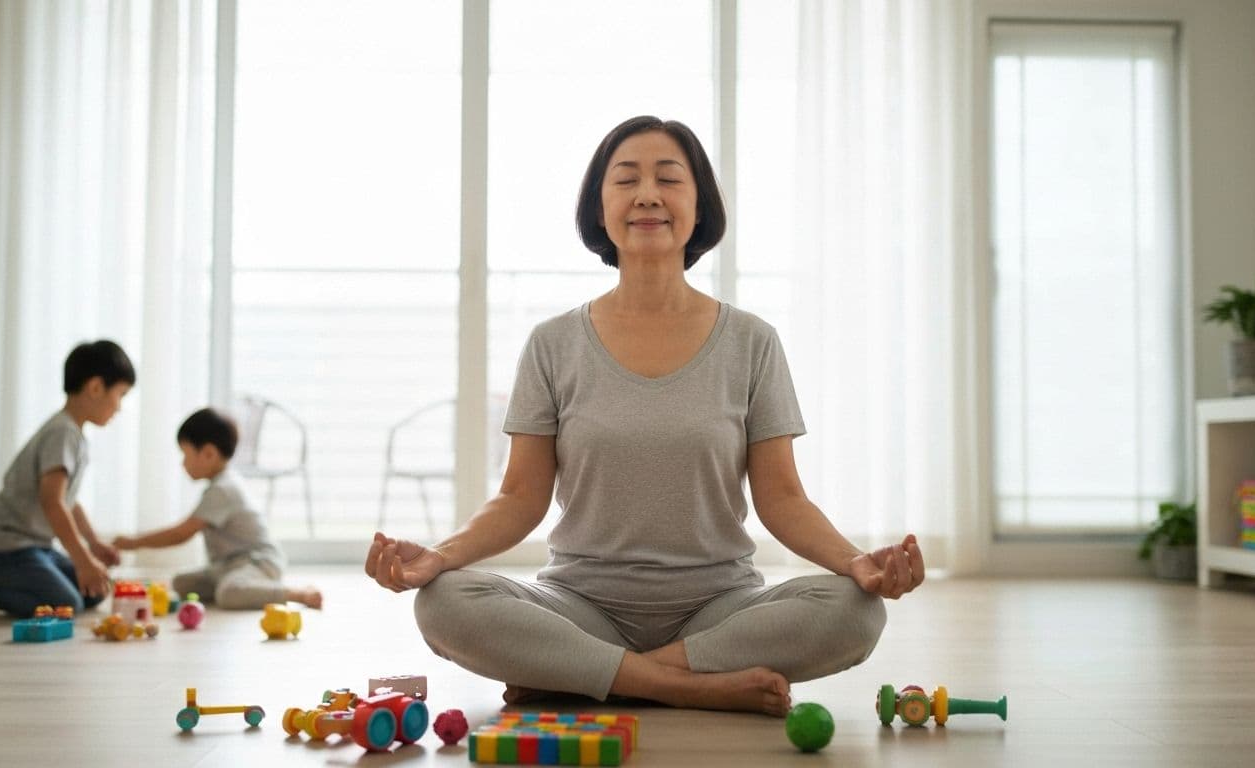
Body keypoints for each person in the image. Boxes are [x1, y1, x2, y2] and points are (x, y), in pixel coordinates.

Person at [364, 116, 925, 716]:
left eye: (670, 179)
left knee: (856, 611)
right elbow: (520, 497)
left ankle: (588, 675)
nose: (648, 195)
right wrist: (441, 556)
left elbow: (783, 498)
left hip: (718, 610)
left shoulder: (752, 342)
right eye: (627, 179)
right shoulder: (552, 343)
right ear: (599, 208)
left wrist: (854, 563)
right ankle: (685, 686)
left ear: (699, 206)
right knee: (443, 601)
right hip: (580, 607)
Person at [0, 340, 133, 620]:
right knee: (66, 603)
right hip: (4, 547)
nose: (119, 407)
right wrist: (82, 560)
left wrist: (93, 544)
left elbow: (68, 501)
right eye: (120, 394)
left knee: (95, 590)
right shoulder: (62, 433)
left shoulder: (74, 434)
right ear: (95, 388)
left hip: (35, 547)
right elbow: (52, 502)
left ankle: (29, 582)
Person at [111, 407, 321, 610]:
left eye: (186, 455)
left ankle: (296, 594)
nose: (183, 464)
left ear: (208, 454)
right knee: (181, 583)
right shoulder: (219, 484)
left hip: (257, 561)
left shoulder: (223, 490)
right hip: (225, 566)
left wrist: (133, 542)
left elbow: (181, 533)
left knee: (229, 593)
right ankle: (245, 589)